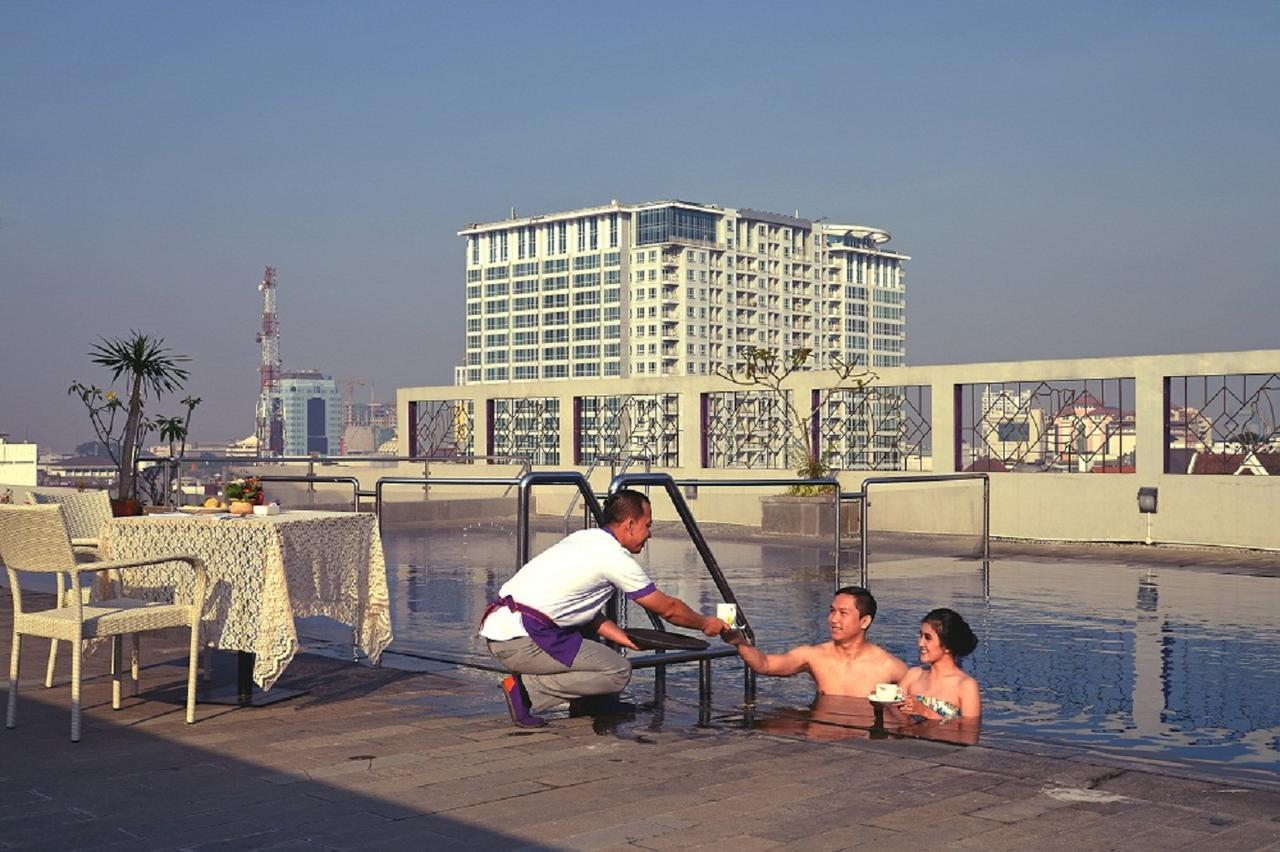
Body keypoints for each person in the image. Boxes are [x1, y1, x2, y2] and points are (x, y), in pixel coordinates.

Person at [480, 489, 729, 727]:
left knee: (593, 642)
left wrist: (624, 639)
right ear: (630, 524)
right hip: (522, 640)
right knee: (618, 671)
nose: (649, 534)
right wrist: (706, 623)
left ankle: (590, 705)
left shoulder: (585, 538)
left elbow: (585, 613)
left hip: (504, 632)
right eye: (648, 525)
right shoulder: (613, 557)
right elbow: (668, 608)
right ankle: (526, 690)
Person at [723, 585, 907, 697]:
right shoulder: (814, 656)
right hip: (821, 733)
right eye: (832, 611)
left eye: (843, 613)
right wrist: (739, 642)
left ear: (864, 621)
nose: (833, 619)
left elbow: (925, 695)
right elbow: (765, 665)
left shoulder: (888, 666)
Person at [897, 608, 981, 720]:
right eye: (920, 635)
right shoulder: (914, 675)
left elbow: (970, 732)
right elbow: (893, 714)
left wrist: (924, 711)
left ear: (947, 646)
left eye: (928, 638)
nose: (920, 643)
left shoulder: (965, 685)